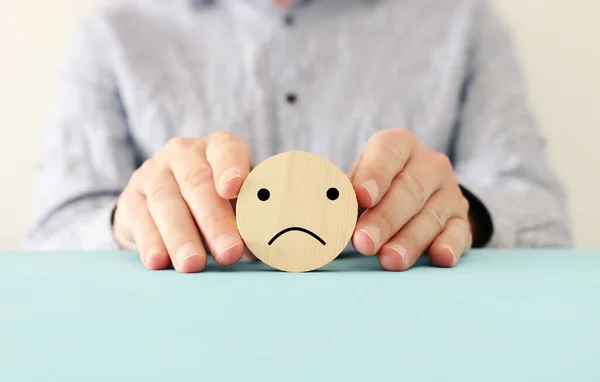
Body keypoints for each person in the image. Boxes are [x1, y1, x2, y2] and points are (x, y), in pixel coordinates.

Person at [25, 0, 573, 272]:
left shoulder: (457, 19)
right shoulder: (117, 31)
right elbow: (50, 235)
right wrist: (127, 221)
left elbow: (543, 218)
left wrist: (464, 211)